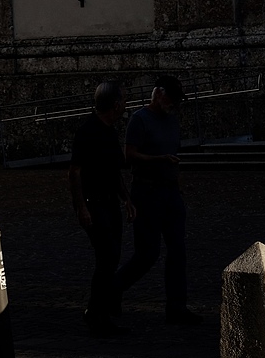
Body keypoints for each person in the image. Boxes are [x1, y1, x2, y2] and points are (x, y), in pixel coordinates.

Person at [115, 75, 202, 325]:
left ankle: (177, 307)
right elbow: (129, 155)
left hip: (170, 193)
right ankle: (114, 288)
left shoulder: (172, 121)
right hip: (147, 192)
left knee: (178, 250)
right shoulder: (139, 120)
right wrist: (159, 160)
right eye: (171, 98)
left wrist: (175, 181)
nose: (174, 104)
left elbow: (173, 155)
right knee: (147, 254)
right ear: (158, 93)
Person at [69, 81, 134, 337]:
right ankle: (97, 313)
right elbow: (74, 173)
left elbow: (113, 171)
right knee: (106, 258)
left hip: (109, 203)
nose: (125, 105)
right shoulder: (88, 131)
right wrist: (80, 208)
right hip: (94, 203)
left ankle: (99, 310)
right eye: (124, 100)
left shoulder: (109, 131)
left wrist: (126, 198)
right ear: (116, 105)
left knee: (111, 256)